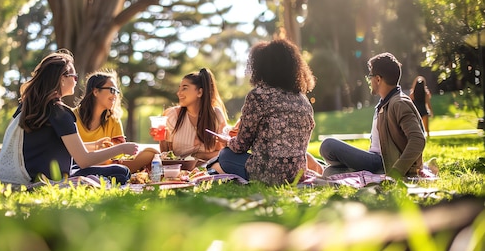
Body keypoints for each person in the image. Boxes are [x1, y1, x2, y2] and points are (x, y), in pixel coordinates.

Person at [0, 50, 138, 185]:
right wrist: (122, 148)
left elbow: (50, 145)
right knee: (121, 172)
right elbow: (84, 160)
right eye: (73, 76)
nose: (76, 80)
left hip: (22, 174)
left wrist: (94, 145)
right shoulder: (60, 113)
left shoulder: (29, 107)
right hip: (47, 178)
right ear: (62, 78)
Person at [209, 39, 316, 185]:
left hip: (269, 174)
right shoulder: (302, 100)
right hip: (297, 173)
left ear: (260, 67)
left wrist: (227, 141)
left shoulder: (259, 95)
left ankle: (214, 169)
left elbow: (241, 146)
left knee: (225, 155)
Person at [319, 52, 426, 178]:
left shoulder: (399, 103)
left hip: (383, 163)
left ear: (378, 79)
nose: (369, 81)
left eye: (370, 76)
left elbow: (418, 140)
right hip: (376, 161)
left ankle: (373, 173)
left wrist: (396, 171)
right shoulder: (385, 102)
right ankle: (366, 173)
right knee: (329, 172)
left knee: (328, 145)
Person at [151, 68, 228, 161]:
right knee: (149, 152)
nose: (179, 93)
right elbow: (166, 155)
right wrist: (162, 138)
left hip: (208, 169)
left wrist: (199, 156)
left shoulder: (215, 115)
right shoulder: (172, 115)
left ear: (200, 92)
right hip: (179, 169)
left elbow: (224, 152)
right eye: (179, 88)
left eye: (184, 88)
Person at [73, 70, 126, 151]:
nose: (115, 95)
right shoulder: (71, 116)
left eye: (116, 91)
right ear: (96, 91)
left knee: (150, 152)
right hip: (79, 163)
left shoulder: (114, 120)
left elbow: (120, 153)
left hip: (108, 162)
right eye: (112, 90)